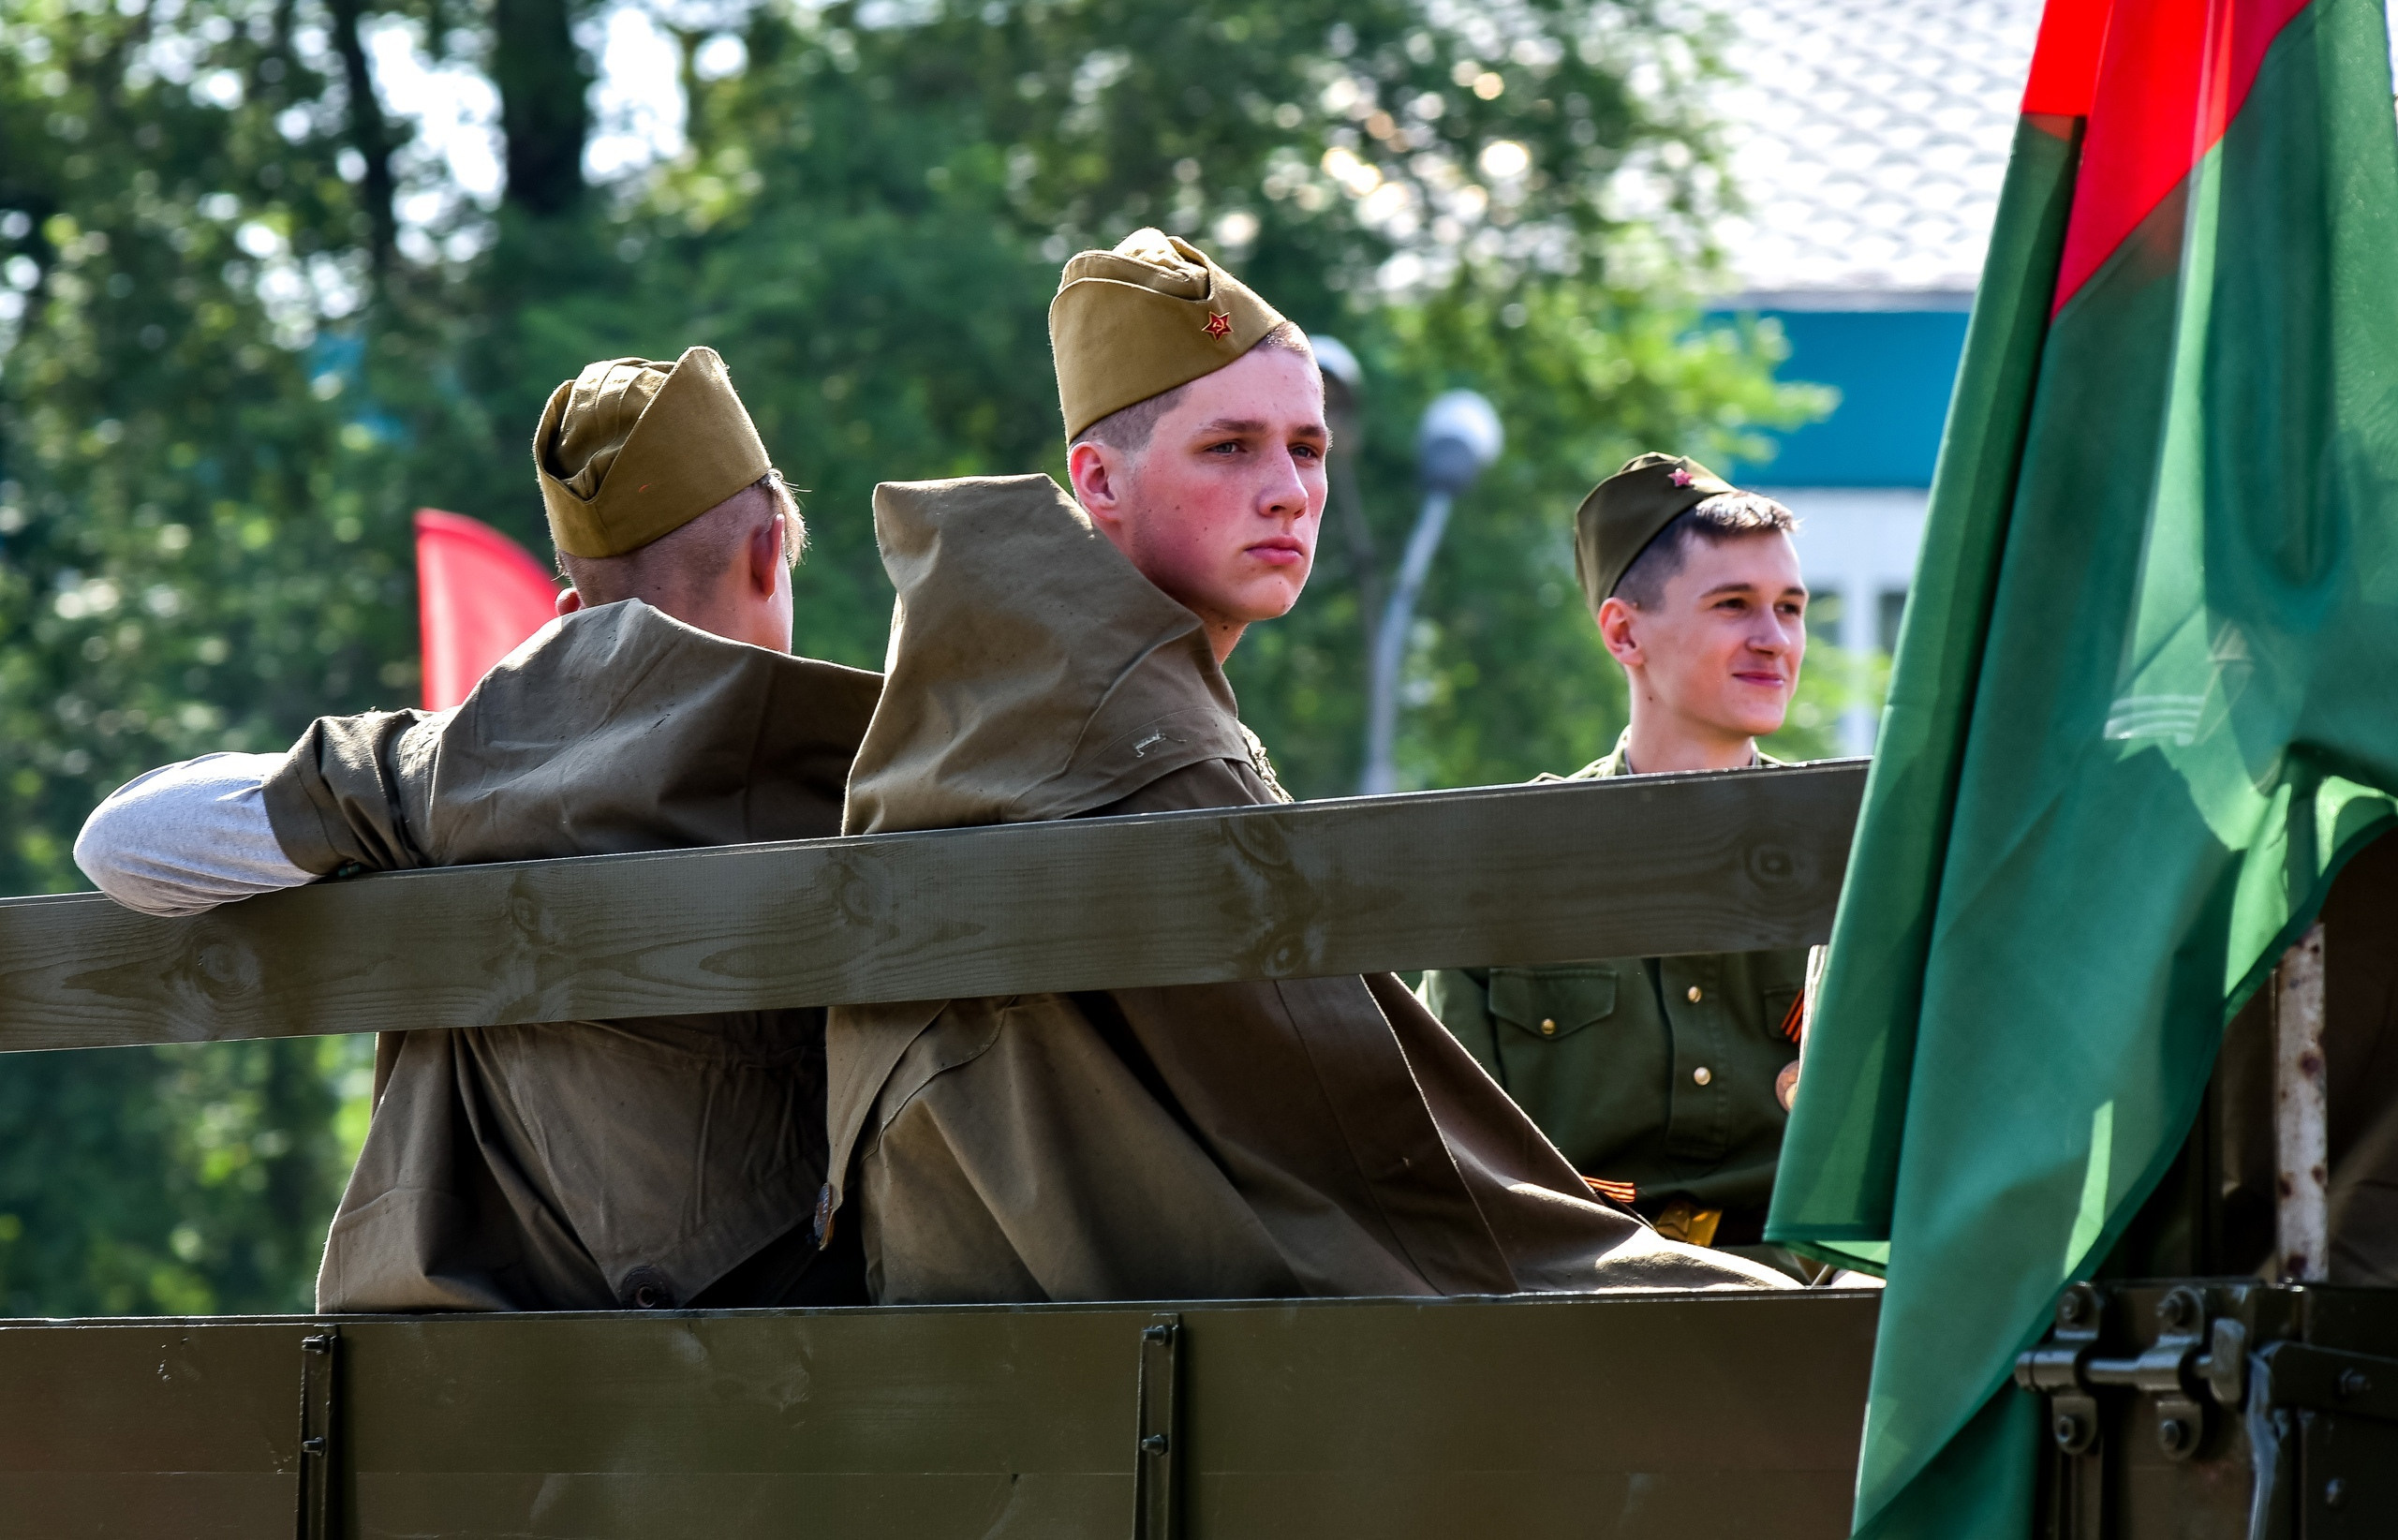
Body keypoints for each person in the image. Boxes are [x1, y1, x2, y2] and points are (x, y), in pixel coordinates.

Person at [821, 229, 1788, 1305]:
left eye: (1308, 449)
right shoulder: (1142, 748)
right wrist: (1700, 1289)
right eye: (1229, 447)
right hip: (1176, 1362)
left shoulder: (1009, 700)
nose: (1287, 491)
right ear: (1097, 478)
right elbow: (1379, 1151)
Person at [74, 347, 882, 1312]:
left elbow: (122, 844)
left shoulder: (453, 777)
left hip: (491, 1389)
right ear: (767, 554)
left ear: (573, 615)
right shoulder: (891, 769)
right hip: (838, 1368)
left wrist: (412, 772)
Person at [1420, 454, 1815, 1271]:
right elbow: (1457, 1156)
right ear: (1623, 631)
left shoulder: (1845, 853)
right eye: (1733, 605)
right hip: (1567, 1304)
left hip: (1813, 1300)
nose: (1773, 640)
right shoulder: (1512, 861)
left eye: (1790, 608)